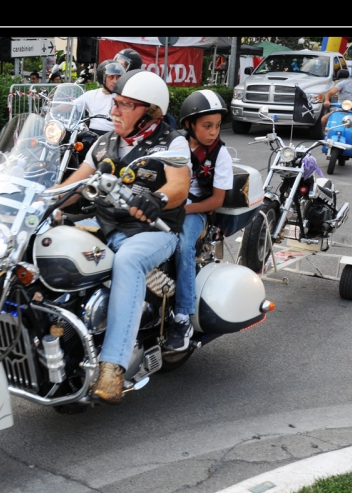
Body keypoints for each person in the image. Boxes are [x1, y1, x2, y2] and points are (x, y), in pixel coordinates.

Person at [54, 69, 192, 404]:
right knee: (52, 241)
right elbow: (73, 186)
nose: (114, 110)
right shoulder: (104, 143)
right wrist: (34, 198)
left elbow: (179, 185)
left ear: (150, 111)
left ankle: (113, 365)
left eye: (125, 105)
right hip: (106, 227)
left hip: (153, 231)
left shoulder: (170, 141)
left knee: (129, 260)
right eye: (115, 102)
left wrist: (157, 198)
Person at [165, 90, 233, 352]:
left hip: (197, 212)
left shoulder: (220, 155)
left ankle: (182, 315)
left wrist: (184, 210)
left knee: (183, 246)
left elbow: (217, 200)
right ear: (188, 125)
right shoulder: (175, 144)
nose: (214, 132)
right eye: (207, 126)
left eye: (216, 126)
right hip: (169, 206)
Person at [71, 60, 125, 135]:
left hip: (114, 135)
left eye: (118, 78)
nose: (115, 81)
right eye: (111, 77)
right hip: (92, 135)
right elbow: (72, 106)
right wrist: (52, 107)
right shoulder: (91, 95)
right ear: (102, 78)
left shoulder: (124, 97)